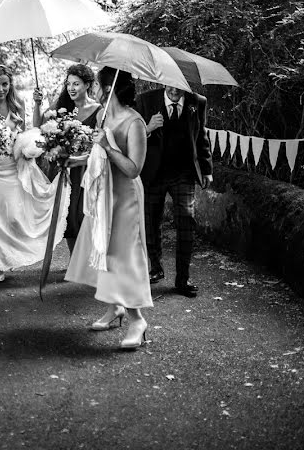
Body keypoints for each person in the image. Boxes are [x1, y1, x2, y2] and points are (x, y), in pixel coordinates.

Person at [65, 68, 152, 350]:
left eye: (98, 86)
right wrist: (72, 160)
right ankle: (114, 307)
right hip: (103, 193)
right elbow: (95, 153)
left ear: (105, 87)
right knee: (103, 251)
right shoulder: (103, 115)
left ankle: (137, 319)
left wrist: (108, 146)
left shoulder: (134, 122)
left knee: (124, 256)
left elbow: (134, 168)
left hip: (125, 195)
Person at [136, 84, 213, 297]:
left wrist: (206, 169)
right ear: (163, 82)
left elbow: (201, 136)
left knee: (187, 221)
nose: (175, 92)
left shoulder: (197, 102)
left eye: (180, 88)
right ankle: (155, 268)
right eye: (171, 86)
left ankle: (183, 278)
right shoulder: (145, 100)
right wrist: (148, 127)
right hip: (153, 173)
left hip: (184, 174)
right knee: (150, 222)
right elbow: (131, 135)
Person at [0, 65, 43, 281]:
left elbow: (26, 133)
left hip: (11, 166)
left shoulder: (17, 104)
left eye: (5, 83)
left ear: (10, 84)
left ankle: (8, 255)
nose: (1, 88)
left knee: (13, 216)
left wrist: (36, 104)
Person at [33, 65, 101, 255]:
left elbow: (100, 140)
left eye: (76, 84)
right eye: (69, 83)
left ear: (87, 85)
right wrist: (37, 104)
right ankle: (74, 260)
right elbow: (38, 126)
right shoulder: (62, 106)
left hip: (86, 167)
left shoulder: (98, 110)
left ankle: (88, 258)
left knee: (84, 212)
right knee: (69, 214)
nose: (71, 88)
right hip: (65, 167)